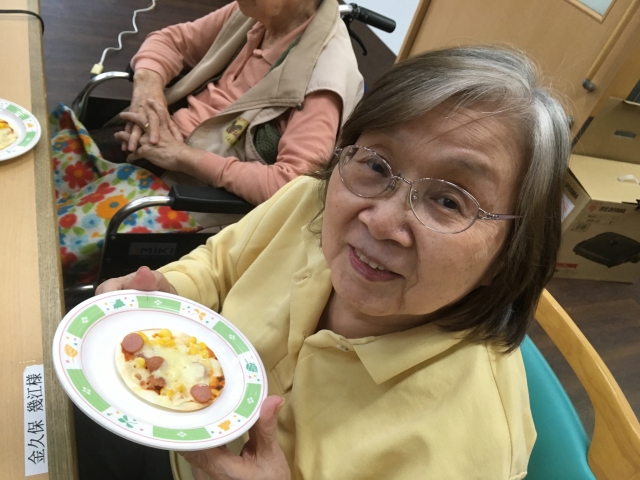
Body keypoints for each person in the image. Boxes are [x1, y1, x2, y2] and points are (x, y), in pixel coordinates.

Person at [96, 45, 571, 479]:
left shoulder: (470, 450)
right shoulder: (311, 201)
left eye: (449, 201)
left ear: (509, 256)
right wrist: (171, 292)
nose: (381, 222)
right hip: (159, 420)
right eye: (377, 165)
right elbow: (219, 264)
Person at [52, 0, 363, 287]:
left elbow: (295, 186)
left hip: (192, 192)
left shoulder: (324, 77)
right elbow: (171, 40)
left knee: (58, 239)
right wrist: (149, 93)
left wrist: (183, 156)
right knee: (47, 161)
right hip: (160, 144)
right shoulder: (253, 12)